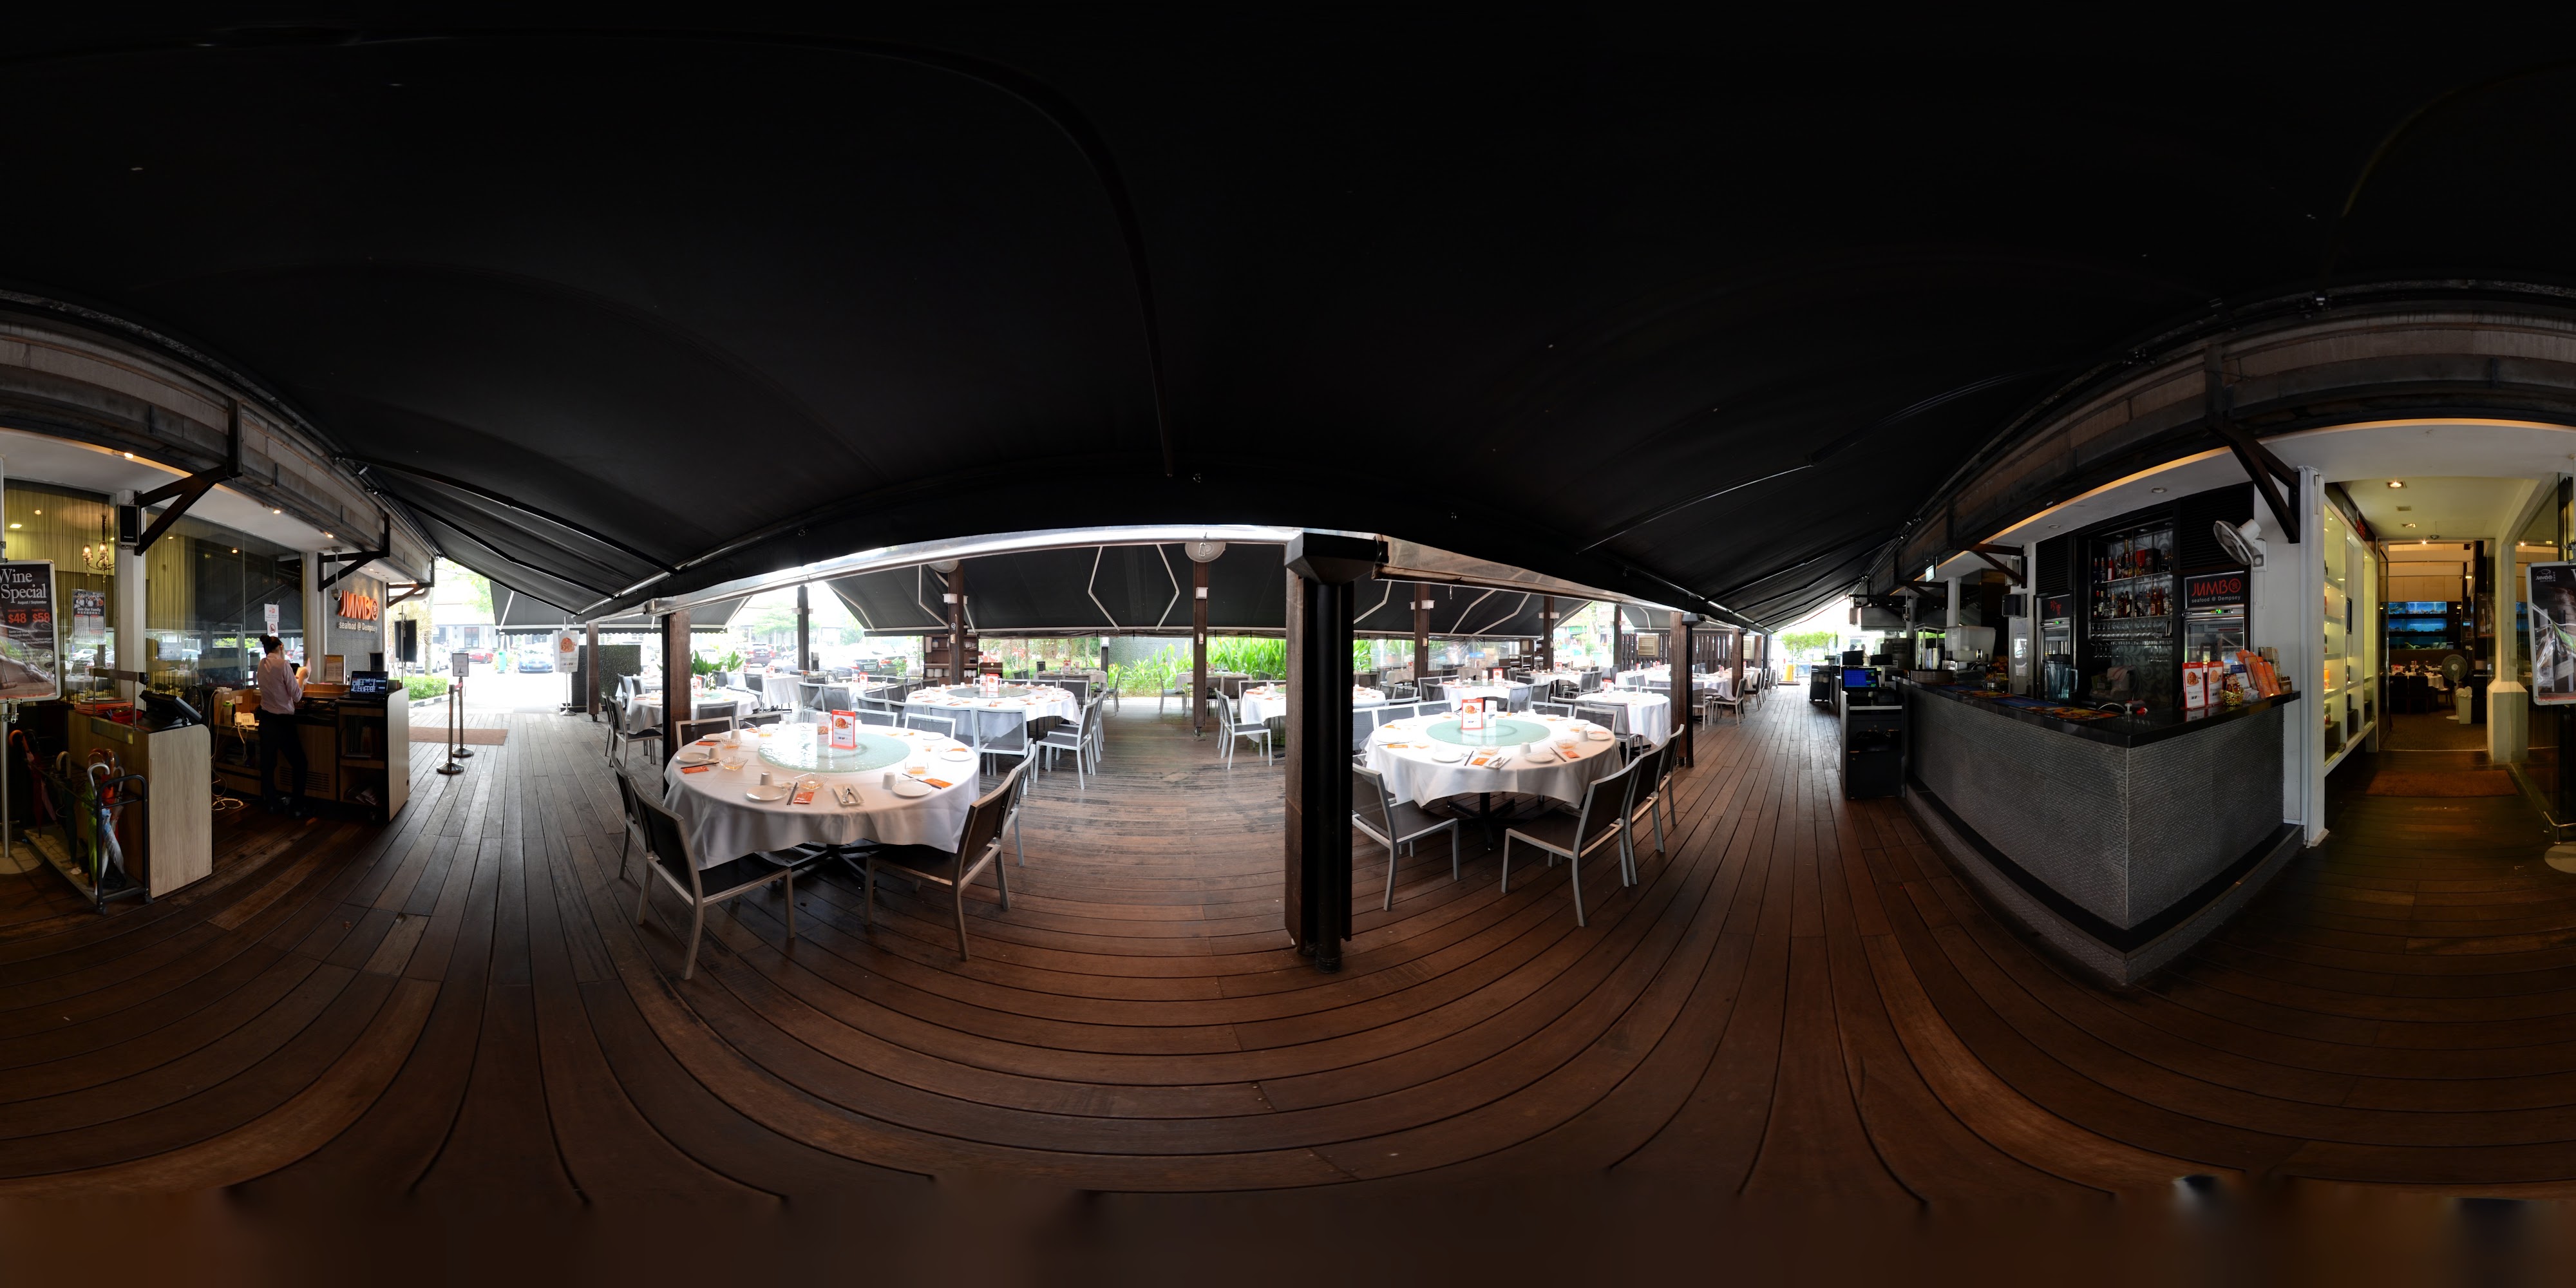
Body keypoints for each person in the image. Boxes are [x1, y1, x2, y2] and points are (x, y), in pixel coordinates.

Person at [254, 634, 308, 815]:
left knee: (268, 765)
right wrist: (303, 678)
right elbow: (297, 696)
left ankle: (273, 803)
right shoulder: (284, 665)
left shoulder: (262, 664)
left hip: (266, 721)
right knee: (300, 763)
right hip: (283, 723)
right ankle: (297, 806)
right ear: (281, 647)